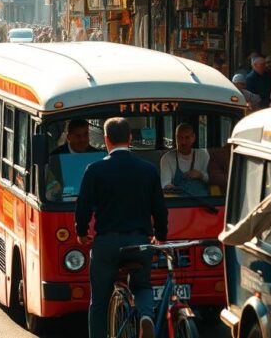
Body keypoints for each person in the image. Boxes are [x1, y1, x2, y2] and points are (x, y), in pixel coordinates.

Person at [76, 118, 168, 338]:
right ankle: (146, 316)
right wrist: (160, 236)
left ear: (106, 140)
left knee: (98, 301)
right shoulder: (148, 170)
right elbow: (160, 208)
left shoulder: (94, 169)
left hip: (107, 242)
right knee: (143, 285)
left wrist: (81, 232)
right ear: (130, 139)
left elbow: (83, 207)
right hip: (139, 240)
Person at [160, 123, 210, 196]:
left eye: (187, 138)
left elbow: (212, 179)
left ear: (193, 138)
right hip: (181, 203)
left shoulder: (203, 155)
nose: (183, 142)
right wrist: (169, 187)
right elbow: (165, 183)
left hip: (204, 202)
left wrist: (200, 175)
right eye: (180, 138)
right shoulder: (167, 158)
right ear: (175, 138)